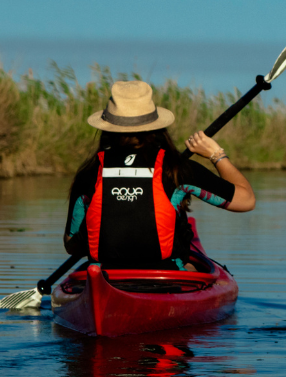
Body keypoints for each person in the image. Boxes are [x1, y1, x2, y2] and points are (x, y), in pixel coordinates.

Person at [63, 81, 254, 271]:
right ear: (156, 127)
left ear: (107, 127)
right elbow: (246, 200)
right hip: (166, 279)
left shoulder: (89, 173)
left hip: (104, 276)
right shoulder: (178, 169)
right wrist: (216, 154)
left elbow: (71, 245)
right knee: (189, 264)